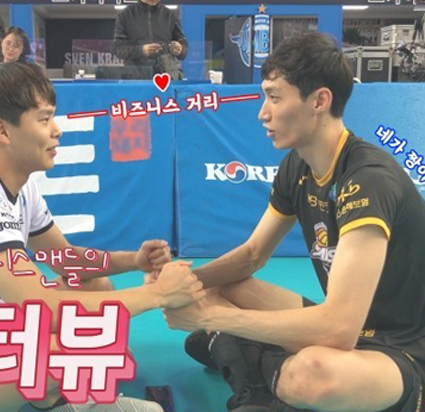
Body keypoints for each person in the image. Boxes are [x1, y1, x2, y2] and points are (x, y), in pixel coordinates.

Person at [0, 62, 204, 412]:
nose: (57, 130)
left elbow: (67, 261)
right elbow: (42, 309)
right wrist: (158, 294)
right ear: (2, 130)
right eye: (44, 119)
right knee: (69, 345)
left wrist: (133, 261)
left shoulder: (17, 185)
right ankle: (66, 396)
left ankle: (54, 393)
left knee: (94, 287)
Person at [165, 32, 425, 412]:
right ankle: (253, 374)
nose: (263, 113)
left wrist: (216, 319)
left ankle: (241, 355)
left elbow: (339, 328)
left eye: (274, 97)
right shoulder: (298, 166)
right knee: (213, 287)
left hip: (401, 351)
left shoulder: (367, 179)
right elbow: (251, 255)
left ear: (319, 101)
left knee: (311, 374)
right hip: (344, 329)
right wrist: (183, 282)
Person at [112, 0, 187, 79]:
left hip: (166, 76)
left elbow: (183, 46)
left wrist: (181, 49)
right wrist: (141, 50)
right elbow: (118, 49)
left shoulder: (170, 15)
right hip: (136, 77)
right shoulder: (125, 15)